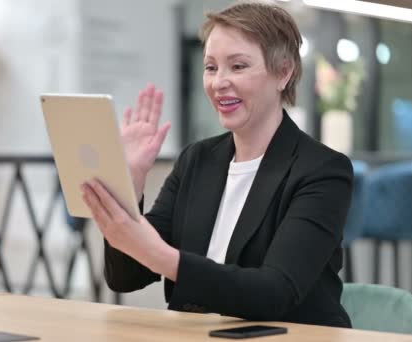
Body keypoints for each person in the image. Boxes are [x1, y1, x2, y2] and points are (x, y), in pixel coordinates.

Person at [81, 1, 352, 328]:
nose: (219, 82)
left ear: (284, 72)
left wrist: (165, 258)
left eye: (237, 66)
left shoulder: (322, 171)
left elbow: (274, 293)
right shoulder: (197, 160)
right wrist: (130, 184)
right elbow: (126, 276)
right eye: (211, 67)